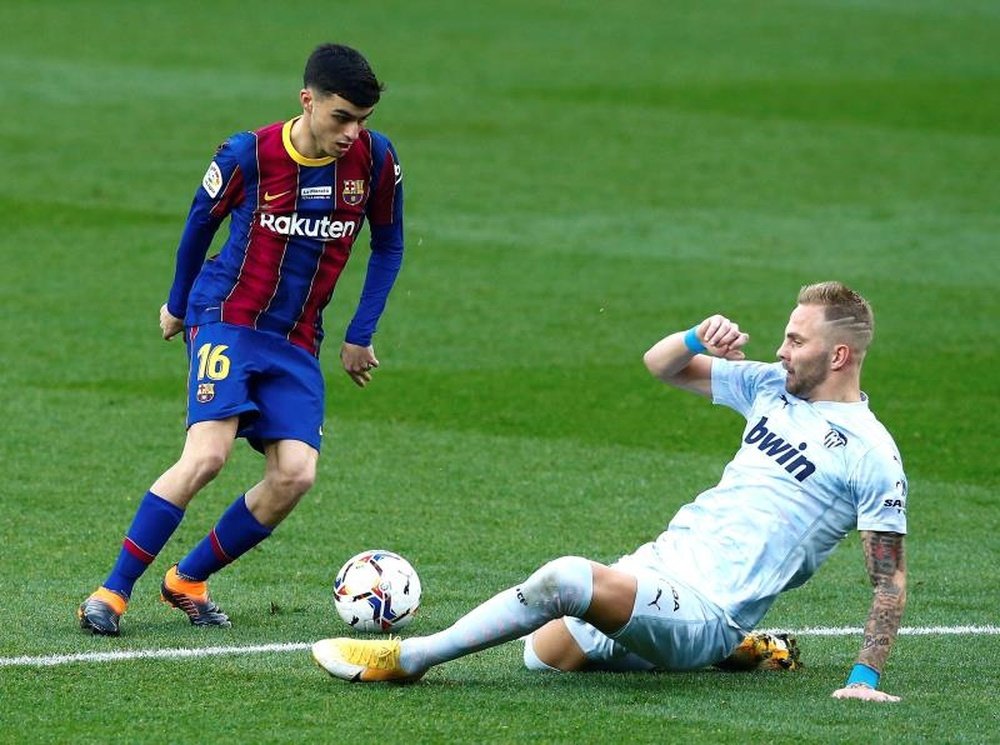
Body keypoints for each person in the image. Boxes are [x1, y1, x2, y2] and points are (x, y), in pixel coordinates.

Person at [312, 281, 908, 703]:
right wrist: (696, 338)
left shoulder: (871, 454)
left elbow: (889, 583)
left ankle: (410, 659)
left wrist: (864, 677)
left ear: (838, 354)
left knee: (566, 578)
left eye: (796, 340)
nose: (781, 349)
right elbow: (661, 366)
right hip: (660, 567)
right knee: (543, 657)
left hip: (710, 609)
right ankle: (745, 652)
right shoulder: (770, 388)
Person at [78, 43, 405, 636]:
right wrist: (178, 305)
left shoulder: (376, 163)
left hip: (298, 338)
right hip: (227, 316)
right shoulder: (248, 154)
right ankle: (111, 590)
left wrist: (361, 333)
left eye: (363, 120)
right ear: (307, 101)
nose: (353, 133)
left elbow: (389, 244)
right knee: (207, 455)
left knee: (295, 475)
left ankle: (188, 579)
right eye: (342, 117)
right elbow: (197, 225)